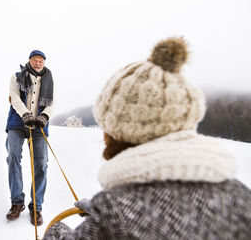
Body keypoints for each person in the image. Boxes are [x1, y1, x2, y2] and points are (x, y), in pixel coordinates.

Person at [44, 37, 251, 239]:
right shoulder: (242, 198)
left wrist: (58, 230)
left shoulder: (113, 215)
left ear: (121, 132)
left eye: (107, 125)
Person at [5, 50, 54, 226]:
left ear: (44, 63)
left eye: (41, 60)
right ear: (29, 61)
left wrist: (44, 117)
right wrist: (25, 114)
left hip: (39, 127)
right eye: (35, 60)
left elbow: (51, 103)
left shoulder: (49, 80)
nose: (38, 63)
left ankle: (36, 207)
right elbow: (15, 98)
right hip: (18, 124)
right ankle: (17, 203)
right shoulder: (17, 76)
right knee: (13, 157)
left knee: (41, 163)